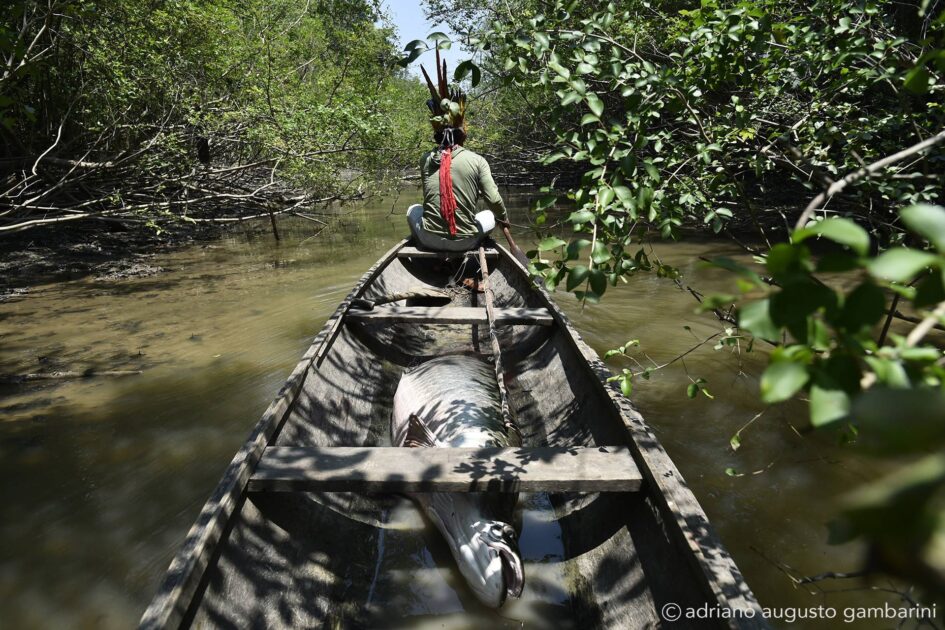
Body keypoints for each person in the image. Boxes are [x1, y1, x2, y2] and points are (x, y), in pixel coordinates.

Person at [407, 56, 519, 255]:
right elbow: (493, 199)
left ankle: (427, 243)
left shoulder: (425, 159)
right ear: (463, 135)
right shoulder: (477, 161)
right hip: (465, 242)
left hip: (429, 239)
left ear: (437, 136)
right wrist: (503, 217)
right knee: (487, 215)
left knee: (413, 209)